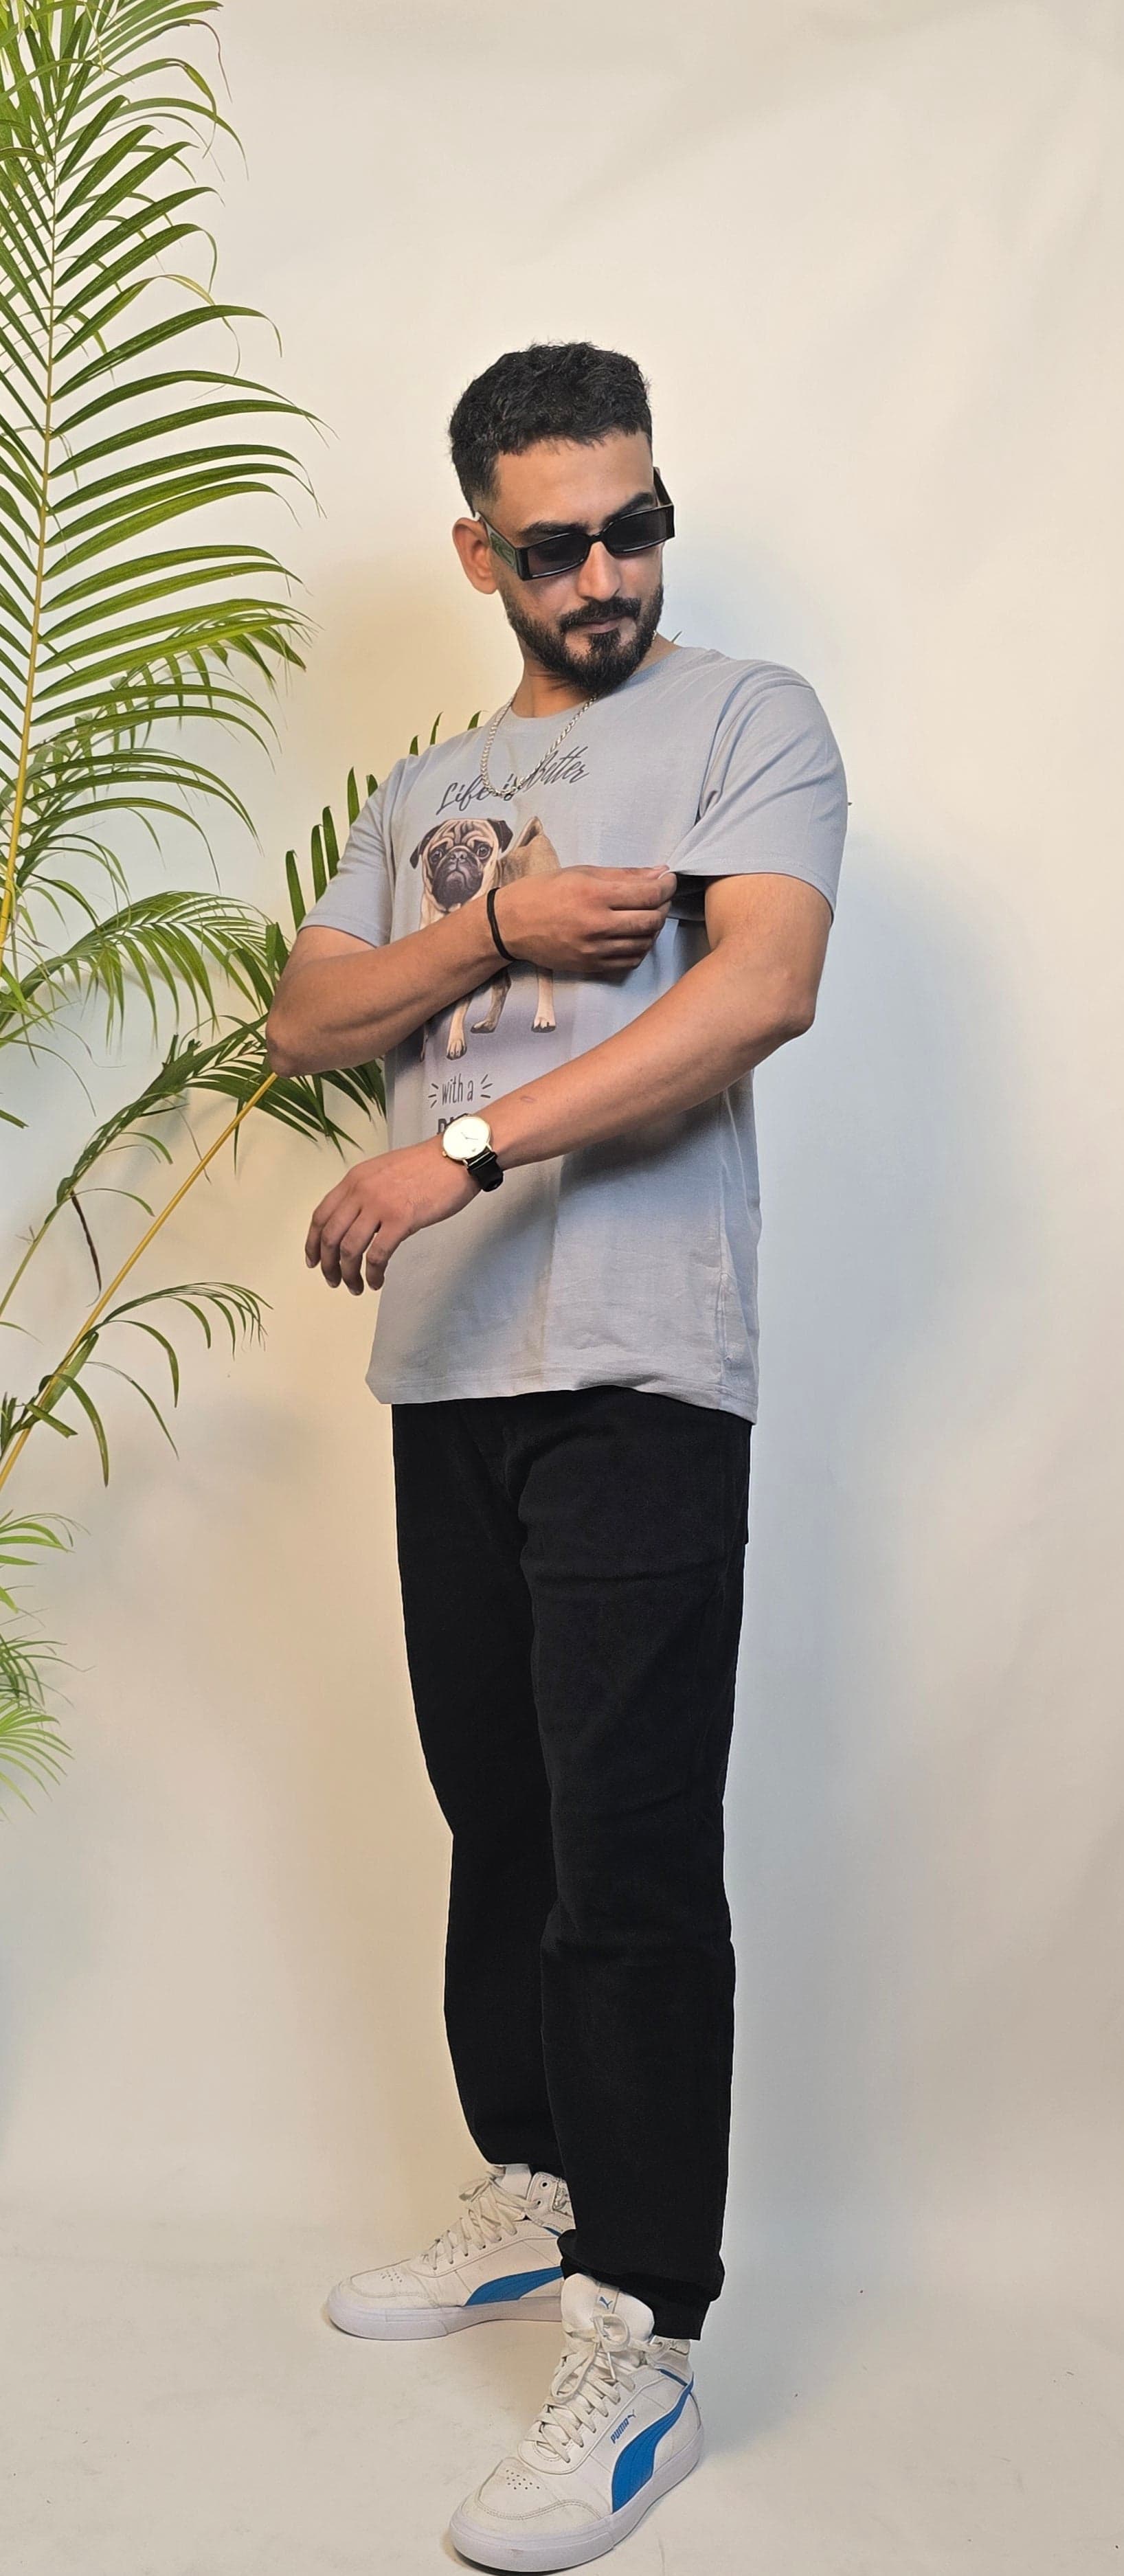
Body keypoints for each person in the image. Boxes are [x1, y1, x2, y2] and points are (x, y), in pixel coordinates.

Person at [265, 339, 847, 2571]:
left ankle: (646, 2332)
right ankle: (533, 2179)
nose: (605, 570)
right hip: (449, 1385)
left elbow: (748, 996)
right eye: (556, 540)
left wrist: (464, 1144)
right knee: (490, 1812)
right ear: (477, 550)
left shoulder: (741, 723)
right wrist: (494, 926)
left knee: (624, 1856)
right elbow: (305, 1013)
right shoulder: (423, 787)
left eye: (632, 522)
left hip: (633, 1370)